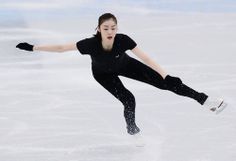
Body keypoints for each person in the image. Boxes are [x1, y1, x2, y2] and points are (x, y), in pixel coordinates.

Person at [16, 13, 226, 135]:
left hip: (126, 65)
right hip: (103, 75)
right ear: (98, 28)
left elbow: (146, 58)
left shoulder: (124, 40)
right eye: (106, 28)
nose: (110, 31)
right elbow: (62, 48)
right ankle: (131, 127)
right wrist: (33, 48)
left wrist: (165, 75)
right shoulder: (89, 44)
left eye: (113, 28)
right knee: (129, 99)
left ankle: (205, 100)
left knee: (168, 84)